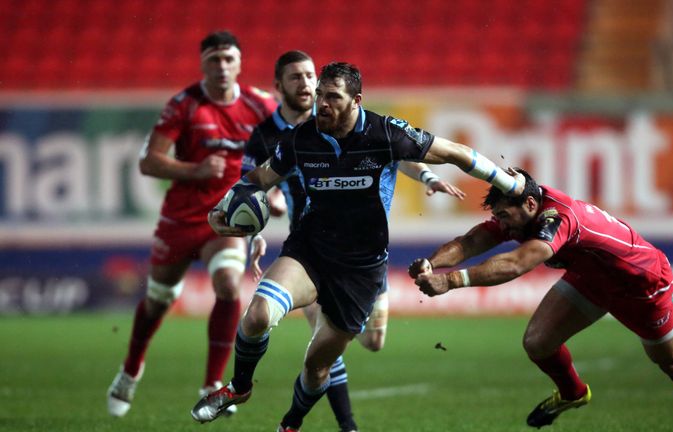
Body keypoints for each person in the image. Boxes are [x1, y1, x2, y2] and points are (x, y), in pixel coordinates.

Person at [190, 61, 523, 431]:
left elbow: (456, 153)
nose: (322, 105)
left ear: (356, 101)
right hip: (310, 251)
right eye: (320, 96)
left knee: (317, 368)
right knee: (257, 316)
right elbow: (258, 177)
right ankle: (238, 387)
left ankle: (291, 423)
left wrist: (512, 188)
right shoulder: (303, 138)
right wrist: (221, 210)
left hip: (361, 271)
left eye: (332, 97)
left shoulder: (385, 134)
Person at [243, 51, 466, 432]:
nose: (306, 86)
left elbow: (398, 153)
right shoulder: (271, 136)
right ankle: (345, 425)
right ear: (279, 86)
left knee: (374, 341)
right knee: (322, 343)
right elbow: (252, 187)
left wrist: (427, 175)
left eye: (310, 77)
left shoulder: (357, 127)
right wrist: (258, 229)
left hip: (362, 252)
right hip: (310, 247)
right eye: (296, 77)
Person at [408, 168, 673, 432]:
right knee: (538, 342)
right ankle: (573, 393)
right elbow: (471, 241)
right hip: (592, 279)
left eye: (504, 216)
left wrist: (451, 280)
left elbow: (517, 263)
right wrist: (432, 264)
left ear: (530, 203)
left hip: (641, 285)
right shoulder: (521, 211)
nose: (501, 225)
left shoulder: (558, 217)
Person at [106, 31, 278, 417]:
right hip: (181, 219)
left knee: (229, 286)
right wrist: (195, 169)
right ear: (203, 63)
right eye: (214, 59)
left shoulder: (262, 105)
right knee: (158, 301)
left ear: (240, 63)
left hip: (226, 219)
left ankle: (212, 383)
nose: (222, 67)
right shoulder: (183, 105)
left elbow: (284, 155)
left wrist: (278, 194)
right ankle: (131, 371)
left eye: (228, 59)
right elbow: (149, 161)